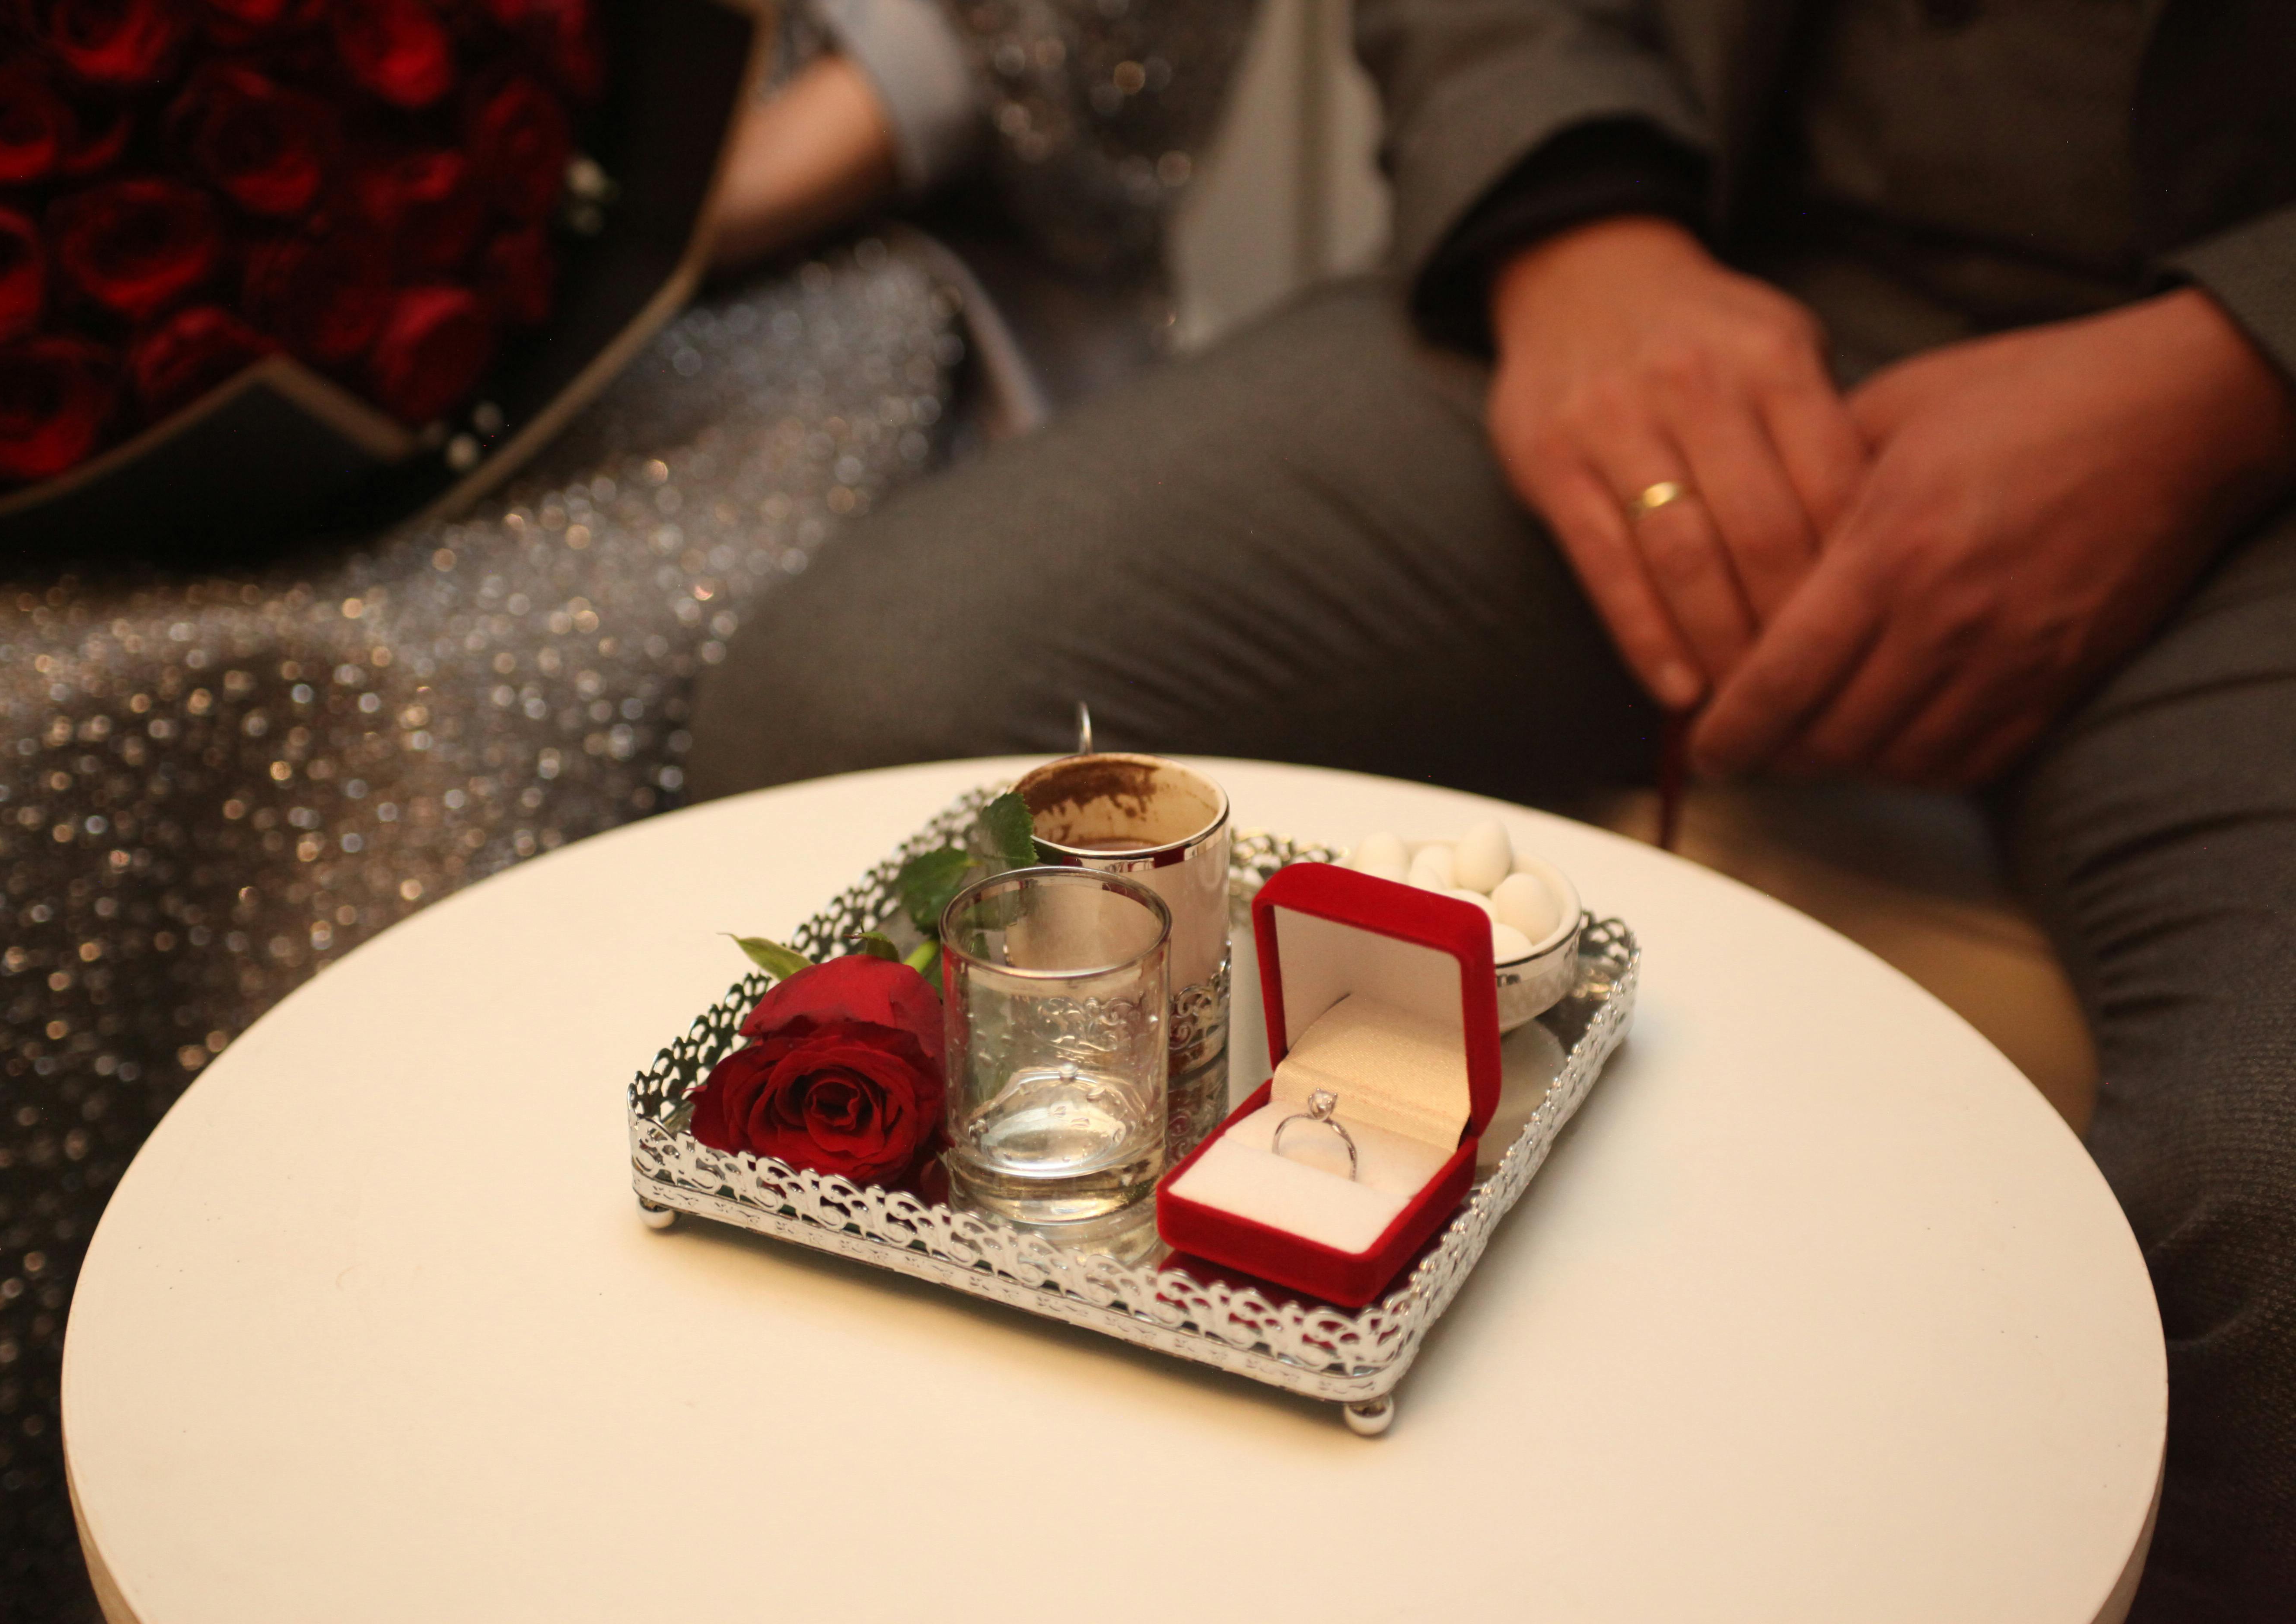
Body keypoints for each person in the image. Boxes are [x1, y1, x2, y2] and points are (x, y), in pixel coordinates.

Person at [688, 2, 2296, 1617]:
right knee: (855, 707)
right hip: (1679, 248)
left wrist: (2239, 374)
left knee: (2268, 1196)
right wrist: (1574, 227)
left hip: (2249, 415)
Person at [0, 3, 1250, 1614]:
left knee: (412, 684)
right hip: (127, 326)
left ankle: (481, 1504)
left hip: (752, 233)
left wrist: (660, 190)